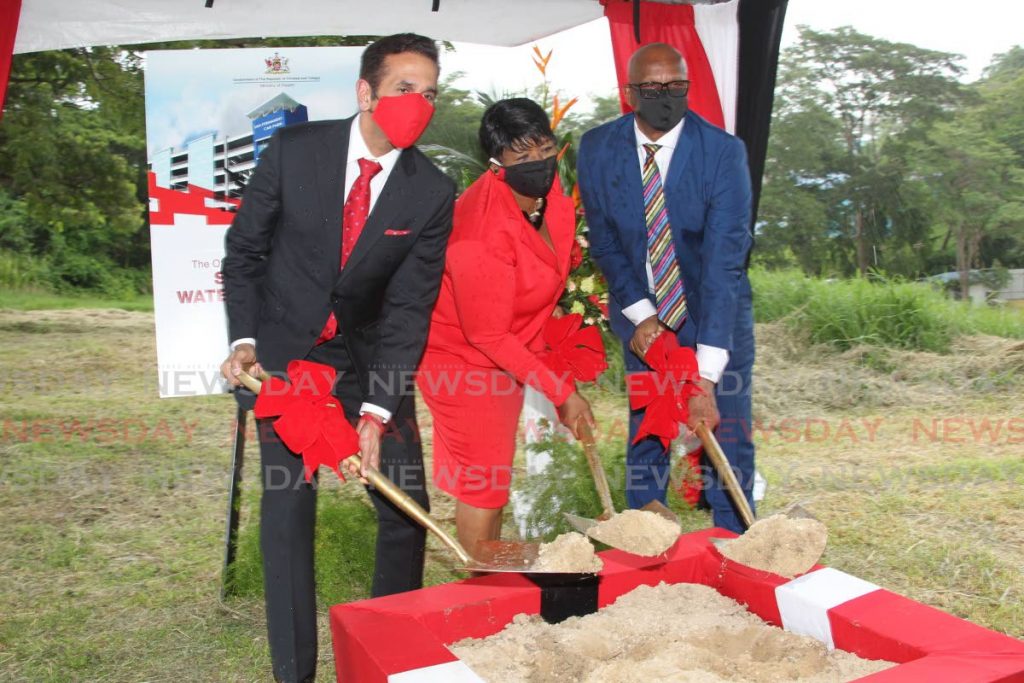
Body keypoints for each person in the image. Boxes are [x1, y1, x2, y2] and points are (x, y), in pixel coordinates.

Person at [219, 34, 455, 683]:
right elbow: (243, 253)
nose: (419, 103)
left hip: (367, 360)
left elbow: (409, 307)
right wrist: (243, 339)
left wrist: (377, 412)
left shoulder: (431, 190)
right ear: (366, 92)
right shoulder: (298, 152)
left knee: (406, 505)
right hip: (289, 362)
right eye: (405, 88)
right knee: (289, 514)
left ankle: (388, 658)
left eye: (429, 92)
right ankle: (295, 672)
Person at [576, 43, 755, 533]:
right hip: (644, 312)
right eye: (653, 89)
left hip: (714, 310)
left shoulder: (723, 153)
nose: (666, 97)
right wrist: (642, 314)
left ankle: (734, 538)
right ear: (629, 92)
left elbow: (724, 264)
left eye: (677, 87)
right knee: (649, 426)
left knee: (727, 428)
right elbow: (606, 241)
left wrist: (705, 378)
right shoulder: (597, 148)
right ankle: (645, 535)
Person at [417, 98, 595, 557]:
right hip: (460, 357)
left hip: (508, 348)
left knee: (494, 470)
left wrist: (557, 372)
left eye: (544, 149)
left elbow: (543, 285)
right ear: (496, 164)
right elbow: (487, 334)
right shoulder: (479, 229)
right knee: (484, 478)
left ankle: (488, 566)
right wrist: (561, 393)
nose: (538, 163)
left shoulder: (550, 197)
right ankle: (482, 582)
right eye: (522, 156)